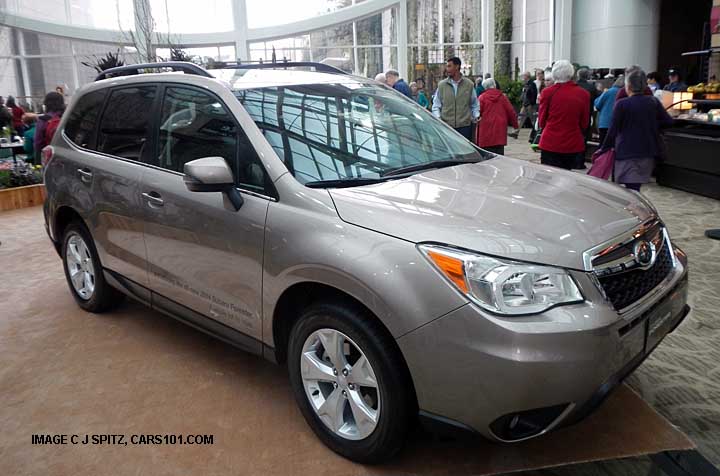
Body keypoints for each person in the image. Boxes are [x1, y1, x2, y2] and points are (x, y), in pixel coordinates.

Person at [601, 69, 674, 191]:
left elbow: (613, 130)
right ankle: (634, 208)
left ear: (628, 86)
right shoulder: (653, 101)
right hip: (647, 150)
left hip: (626, 150)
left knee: (629, 189)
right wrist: (652, 125)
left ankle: (633, 209)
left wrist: (604, 148)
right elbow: (669, 121)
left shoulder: (622, 104)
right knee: (635, 187)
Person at [537, 60, 590, 170]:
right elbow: (584, 123)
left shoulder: (547, 93)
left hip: (550, 141)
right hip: (572, 142)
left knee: (548, 176)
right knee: (567, 177)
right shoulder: (583, 94)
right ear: (571, 74)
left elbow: (542, 120)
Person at [432, 57, 480, 141]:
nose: (447, 69)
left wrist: (476, 115)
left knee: (465, 152)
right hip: (447, 126)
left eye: (449, 66)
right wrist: (438, 118)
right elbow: (436, 104)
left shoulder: (469, 85)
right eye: (447, 66)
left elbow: (474, 104)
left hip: (464, 127)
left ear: (457, 67)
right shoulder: (442, 85)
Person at [476, 78, 519, 155]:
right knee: (499, 155)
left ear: (485, 87)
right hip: (500, 130)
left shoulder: (482, 98)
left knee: (486, 155)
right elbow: (511, 112)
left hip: (486, 129)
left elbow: (477, 113)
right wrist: (515, 126)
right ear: (495, 85)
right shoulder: (502, 97)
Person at [575, 68, 599, 169]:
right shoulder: (591, 88)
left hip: (573, 115)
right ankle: (580, 162)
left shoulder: (574, 86)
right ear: (588, 76)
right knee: (583, 138)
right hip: (587, 115)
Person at [34, 91, 65, 164]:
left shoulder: (43, 120)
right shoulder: (66, 117)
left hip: (50, 157)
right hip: (67, 155)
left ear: (46, 104)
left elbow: (38, 143)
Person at [594, 76, 623, 146]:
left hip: (605, 124)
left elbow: (597, 104)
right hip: (619, 125)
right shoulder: (626, 93)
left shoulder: (609, 91)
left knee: (603, 147)